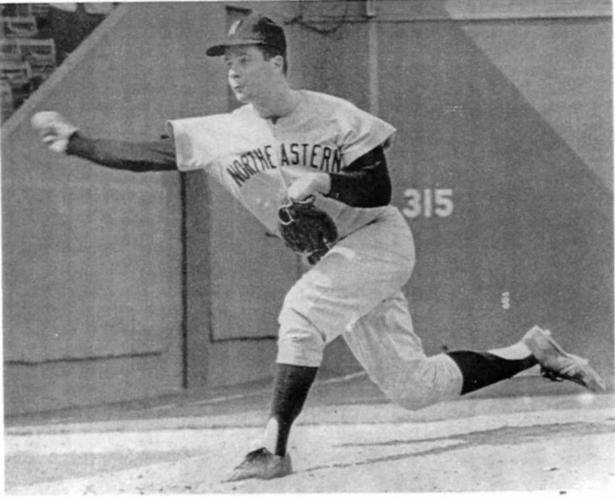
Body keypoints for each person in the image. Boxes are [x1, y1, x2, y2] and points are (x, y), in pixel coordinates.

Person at [32, 11, 605, 482]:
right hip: (332, 260)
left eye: (245, 58)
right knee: (415, 388)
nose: (233, 71)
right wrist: (76, 143)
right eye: (228, 60)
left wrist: (325, 180)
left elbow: (379, 189)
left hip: (377, 240)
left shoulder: (334, 116)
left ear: (277, 62)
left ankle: (273, 448)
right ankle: (534, 353)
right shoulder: (221, 131)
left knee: (300, 314)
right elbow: (146, 156)